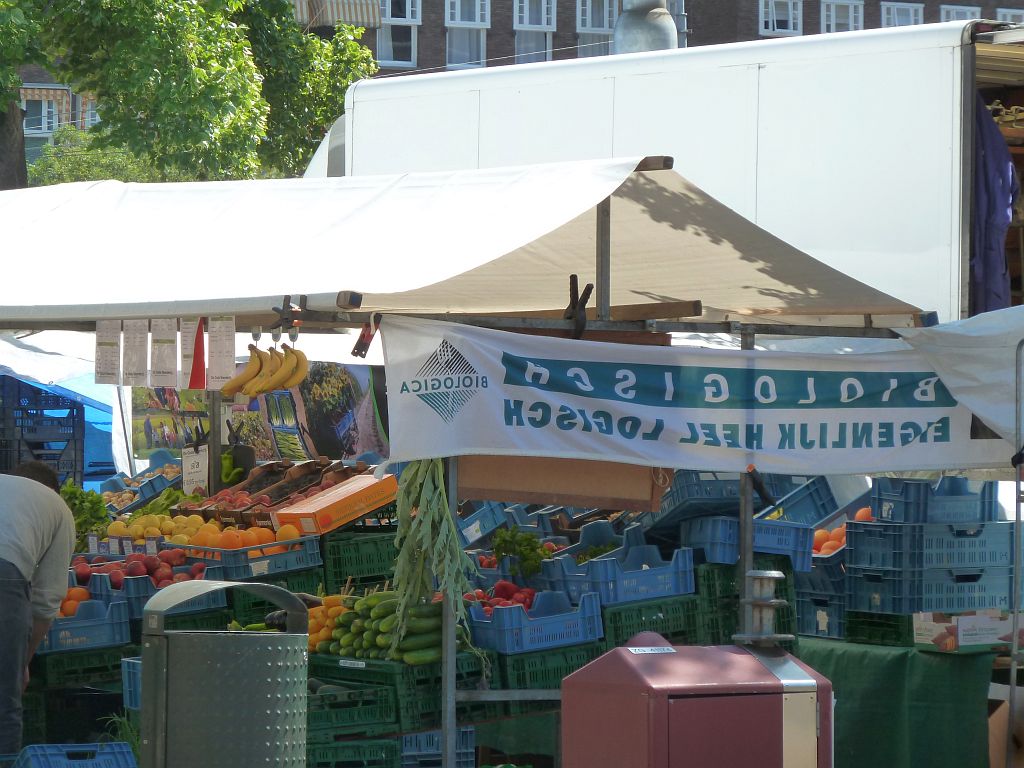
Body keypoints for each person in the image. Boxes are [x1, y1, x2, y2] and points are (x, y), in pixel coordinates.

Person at [0, 461, 74, 754]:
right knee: (3, 702)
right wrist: (23, 663)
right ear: (54, 491)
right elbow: (46, 602)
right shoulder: (58, 508)